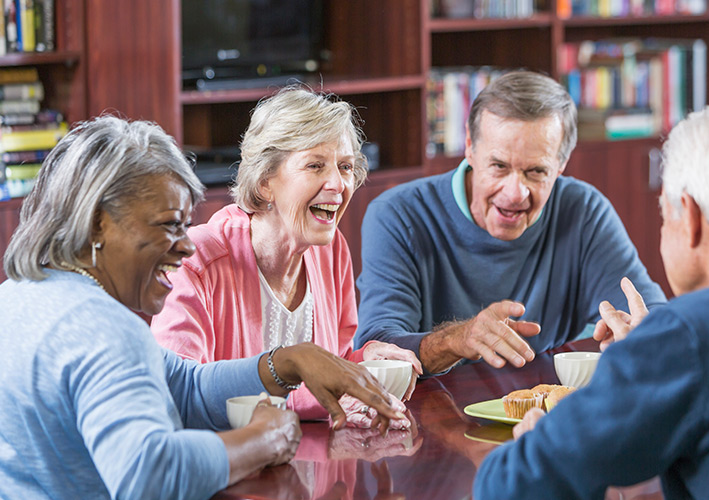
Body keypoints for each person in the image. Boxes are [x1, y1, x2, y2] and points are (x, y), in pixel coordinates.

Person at [0, 116, 405, 499]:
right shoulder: (104, 327)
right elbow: (150, 475)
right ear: (97, 224)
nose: (187, 245)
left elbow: (186, 388)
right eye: (169, 225)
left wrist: (286, 362)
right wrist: (261, 441)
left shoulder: (20, 297)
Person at [474, 102, 709, 499]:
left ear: (688, 216)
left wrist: (537, 440)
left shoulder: (688, 332)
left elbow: (511, 486)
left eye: (663, 214)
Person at [354, 71, 666, 374]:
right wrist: (459, 339)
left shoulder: (583, 209)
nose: (515, 193)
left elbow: (654, 316)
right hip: (431, 417)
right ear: (470, 148)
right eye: (499, 166)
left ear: (561, 165)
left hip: (547, 415)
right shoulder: (398, 214)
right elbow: (378, 346)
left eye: (536, 172)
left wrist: (635, 332)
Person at [151, 87, 421, 423]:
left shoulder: (331, 249)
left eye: (346, 167)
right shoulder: (195, 261)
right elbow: (181, 399)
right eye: (315, 165)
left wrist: (362, 362)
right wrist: (331, 394)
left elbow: (330, 359)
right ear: (265, 181)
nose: (338, 184)